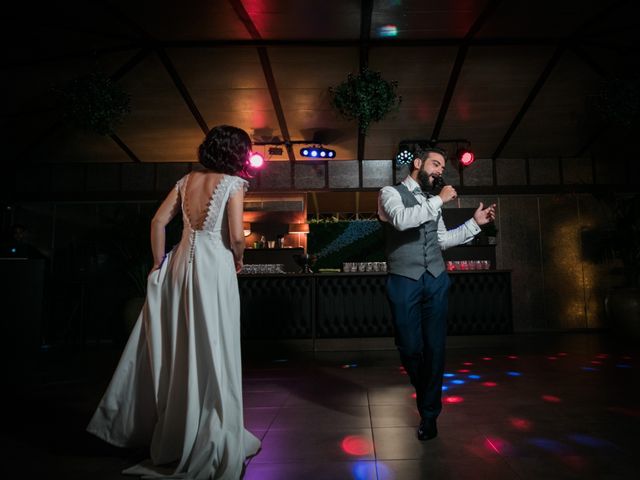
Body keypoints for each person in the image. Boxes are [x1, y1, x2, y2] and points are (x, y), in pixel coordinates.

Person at [87, 125, 261, 478]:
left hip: (180, 265)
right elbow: (236, 236)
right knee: (215, 342)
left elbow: (157, 221)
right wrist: (239, 259)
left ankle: (180, 429)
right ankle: (213, 428)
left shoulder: (185, 182)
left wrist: (157, 263)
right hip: (215, 266)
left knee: (184, 343)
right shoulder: (232, 184)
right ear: (236, 154)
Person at [377, 146, 496, 441]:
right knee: (409, 346)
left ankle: (429, 415)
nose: (440, 170)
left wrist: (474, 225)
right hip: (404, 279)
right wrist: (439, 201)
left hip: (436, 279)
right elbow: (403, 220)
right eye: (436, 164)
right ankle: (426, 391)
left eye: (443, 167)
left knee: (435, 349)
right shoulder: (389, 194)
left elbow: (442, 240)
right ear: (417, 163)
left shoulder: (434, 201)